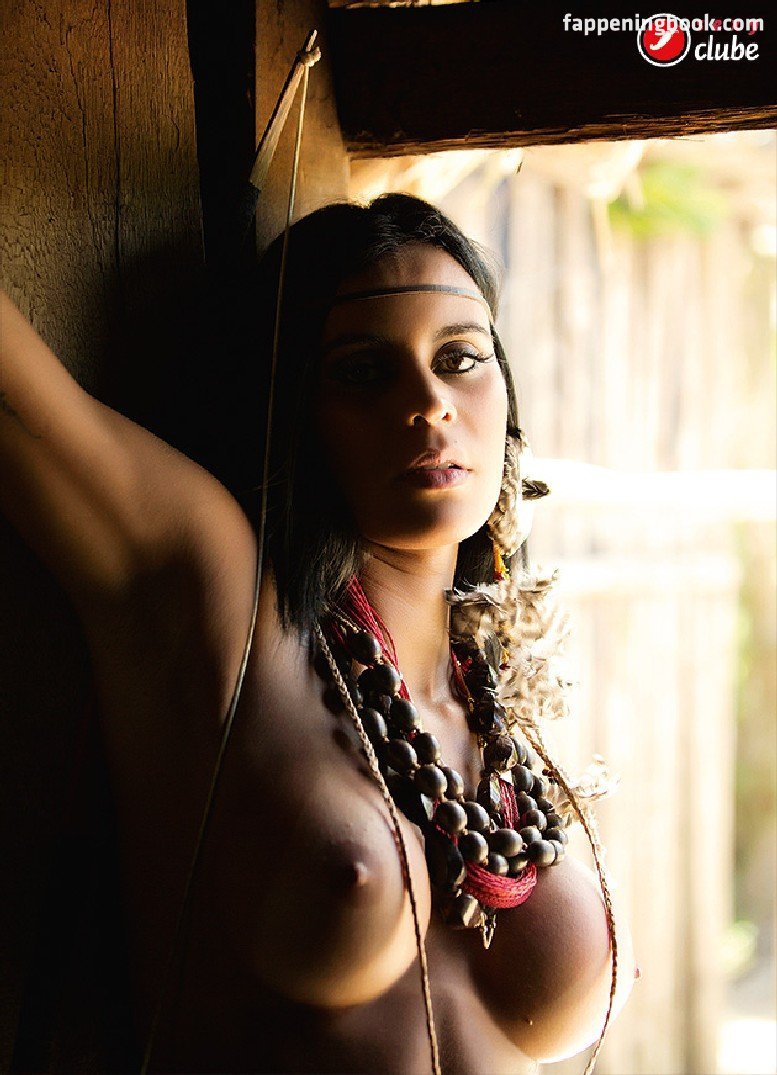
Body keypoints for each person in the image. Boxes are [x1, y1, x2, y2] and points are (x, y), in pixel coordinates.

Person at [0, 193, 634, 1074]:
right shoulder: (220, 605)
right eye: (363, 371)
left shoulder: (497, 702)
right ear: (294, 405)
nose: (429, 403)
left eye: (459, 358)